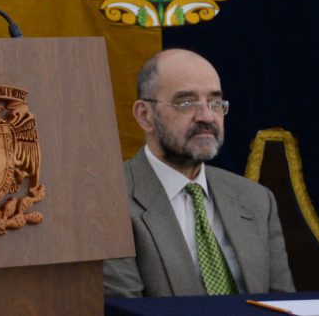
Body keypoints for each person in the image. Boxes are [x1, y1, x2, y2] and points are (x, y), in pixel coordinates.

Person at [103, 49, 295, 297]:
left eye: (215, 102)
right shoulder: (109, 199)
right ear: (145, 116)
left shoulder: (256, 199)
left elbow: (285, 303)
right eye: (186, 102)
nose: (207, 116)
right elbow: (125, 310)